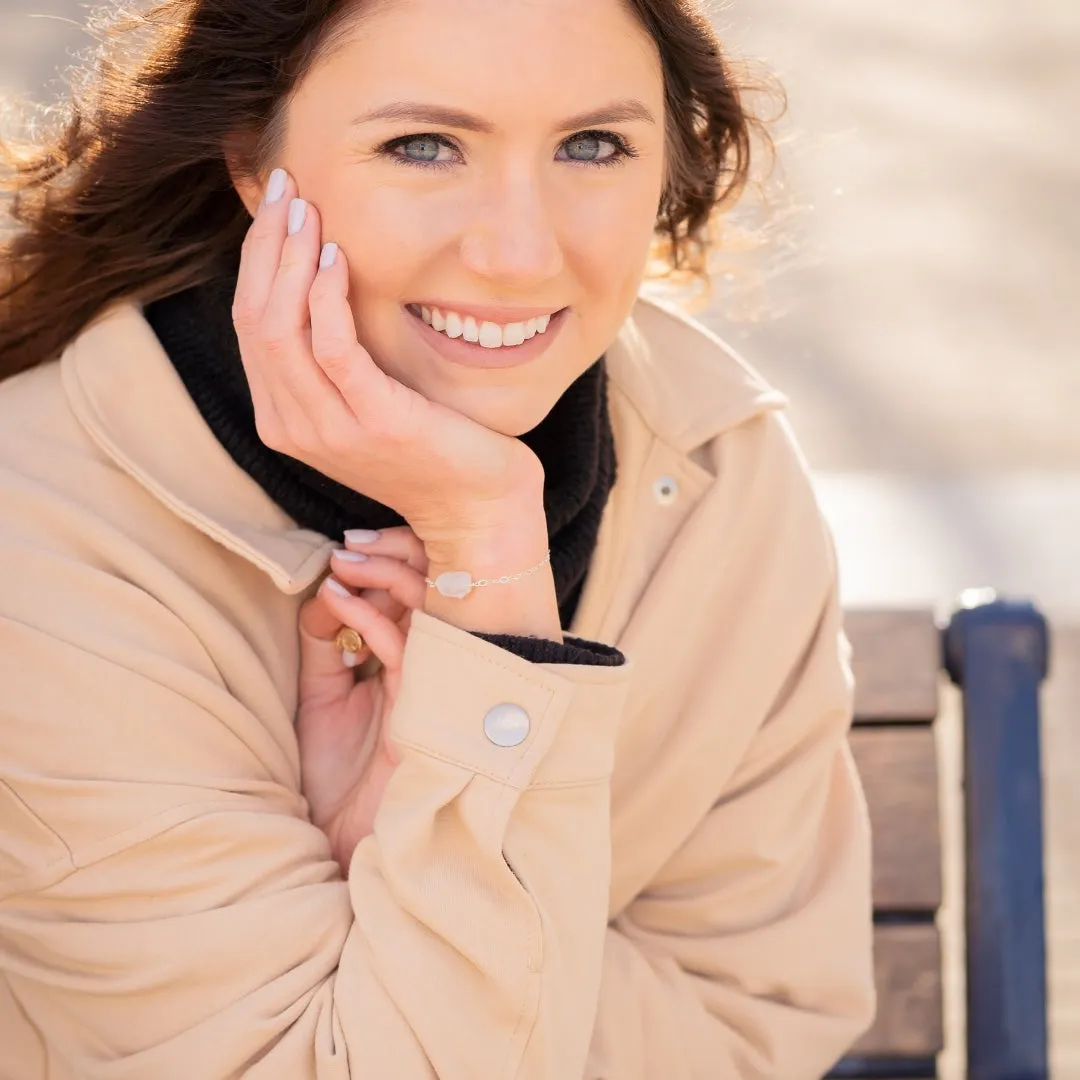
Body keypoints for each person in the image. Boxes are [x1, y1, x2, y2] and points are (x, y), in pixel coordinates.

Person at [0, 0, 876, 1076]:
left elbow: (756, 1016)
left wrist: (390, 904)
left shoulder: (715, 463)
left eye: (592, 145)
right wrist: (490, 559)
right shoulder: (37, 532)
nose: (517, 252)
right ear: (249, 161)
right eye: (423, 146)